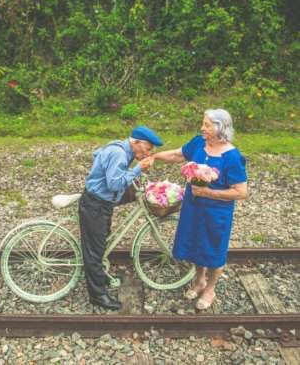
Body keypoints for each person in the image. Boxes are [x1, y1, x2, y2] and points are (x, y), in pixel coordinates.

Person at [153, 109, 248, 310]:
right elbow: (178, 154)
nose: (202, 128)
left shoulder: (232, 157)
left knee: (213, 250)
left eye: (207, 125)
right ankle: (199, 280)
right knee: (195, 243)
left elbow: (241, 192)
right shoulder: (198, 143)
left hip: (216, 212)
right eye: (203, 124)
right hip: (193, 208)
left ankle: (210, 288)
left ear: (220, 128)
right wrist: (154, 157)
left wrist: (209, 193)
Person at [79, 126, 163, 310]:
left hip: (101, 203)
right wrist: (138, 169)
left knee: (101, 243)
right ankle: (98, 295)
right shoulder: (119, 153)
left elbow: (97, 154)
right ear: (136, 142)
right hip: (96, 205)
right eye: (148, 148)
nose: (149, 153)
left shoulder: (121, 149)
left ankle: (100, 277)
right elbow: (115, 183)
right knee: (94, 251)